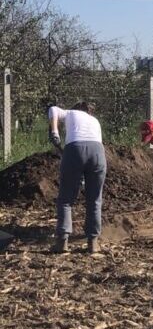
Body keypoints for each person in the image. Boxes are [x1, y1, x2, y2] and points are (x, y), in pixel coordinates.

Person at [49, 101, 106, 254]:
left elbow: (53, 110)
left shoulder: (71, 113)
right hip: (98, 153)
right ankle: (93, 243)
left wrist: (54, 132)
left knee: (66, 199)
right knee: (94, 199)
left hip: (74, 150)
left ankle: (62, 242)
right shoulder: (94, 120)